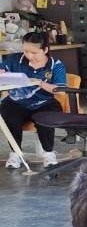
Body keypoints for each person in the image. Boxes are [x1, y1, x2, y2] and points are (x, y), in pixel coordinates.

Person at [2, 30, 68, 168]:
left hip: (44, 102)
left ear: (45, 50)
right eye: (26, 51)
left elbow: (61, 92)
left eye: (34, 53)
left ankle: (48, 154)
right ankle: (16, 154)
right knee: (9, 115)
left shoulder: (56, 65)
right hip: (16, 101)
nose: (29, 56)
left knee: (47, 118)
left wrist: (40, 83)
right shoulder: (13, 60)